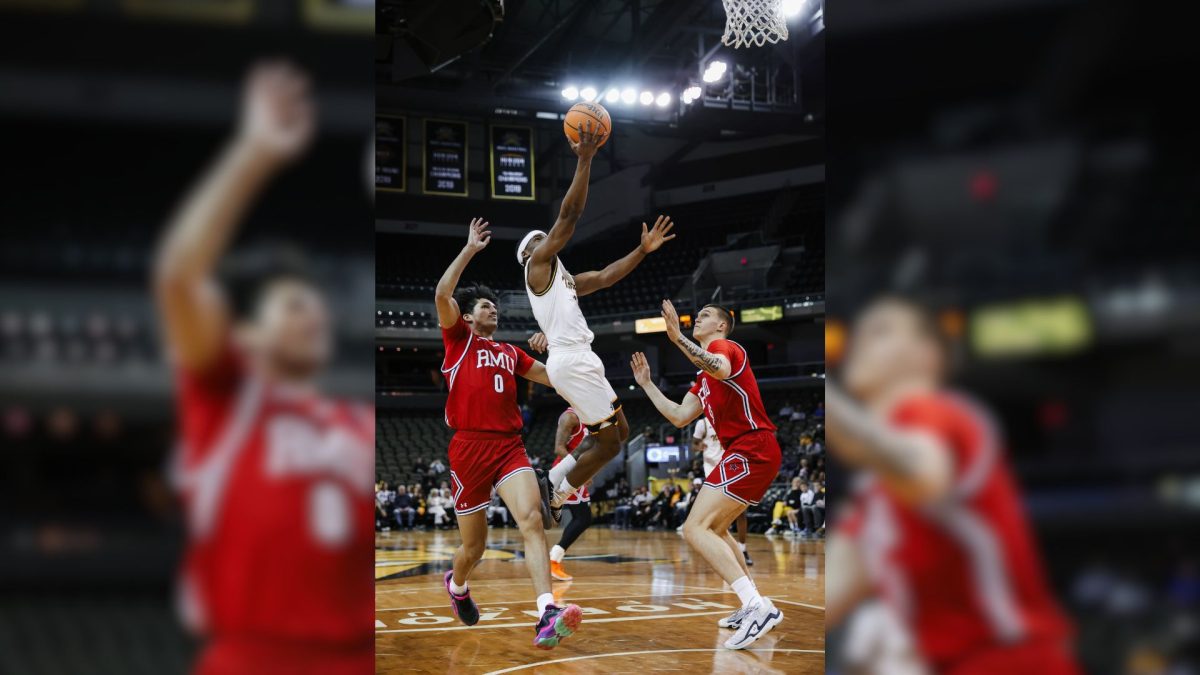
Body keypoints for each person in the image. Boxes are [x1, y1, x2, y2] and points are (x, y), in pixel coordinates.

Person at [155, 62, 373, 673]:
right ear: (245, 332)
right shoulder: (226, 397)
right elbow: (178, 277)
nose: (315, 317)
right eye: (294, 305)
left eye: (317, 306)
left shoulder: (357, 419)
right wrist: (255, 152)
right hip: (256, 656)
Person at [826, 295, 1079, 674]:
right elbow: (826, 598)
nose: (857, 344)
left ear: (929, 353)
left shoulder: (939, 413)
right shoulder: (873, 496)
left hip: (1009, 660)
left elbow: (920, 472)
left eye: (879, 331)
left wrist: (824, 395)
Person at [517, 119, 678, 524]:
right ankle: (559, 491)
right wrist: (585, 161)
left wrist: (642, 250)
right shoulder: (538, 265)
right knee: (609, 447)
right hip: (572, 361)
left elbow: (607, 276)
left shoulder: (565, 281)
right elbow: (569, 217)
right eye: (540, 238)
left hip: (580, 358)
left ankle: (553, 475)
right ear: (530, 253)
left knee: (619, 430)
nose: (547, 239)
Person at [434, 219, 581, 649]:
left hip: (508, 448)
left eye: (495, 306)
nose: (492, 309)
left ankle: (546, 612)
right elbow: (443, 294)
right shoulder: (457, 341)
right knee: (474, 549)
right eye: (484, 306)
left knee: (532, 522)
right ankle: (457, 585)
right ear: (467, 317)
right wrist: (468, 250)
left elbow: (555, 378)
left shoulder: (510, 351)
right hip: (468, 448)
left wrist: (554, 344)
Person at [630, 300, 784, 650]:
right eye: (697, 314)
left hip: (752, 446)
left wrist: (677, 338)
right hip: (745, 451)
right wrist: (647, 385)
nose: (699, 317)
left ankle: (756, 607)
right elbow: (680, 416)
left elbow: (718, 366)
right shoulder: (702, 378)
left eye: (706, 315)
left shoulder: (723, 347)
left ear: (721, 326)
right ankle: (755, 604)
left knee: (693, 528)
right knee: (713, 528)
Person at [693, 415, 753, 566]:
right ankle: (721, 550)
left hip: (731, 468)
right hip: (713, 471)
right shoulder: (702, 424)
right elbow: (694, 443)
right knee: (716, 515)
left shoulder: (732, 420)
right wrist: (698, 446)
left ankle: (742, 549)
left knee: (741, 511)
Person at [548, 408, 594, 582]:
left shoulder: (589, 415)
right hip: (567, 471)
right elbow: (559, 448)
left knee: (583, 518)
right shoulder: (569, 417)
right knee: (582, 518)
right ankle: (553, 560)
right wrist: (580, 468)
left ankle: (554, 559)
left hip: (578, 472)